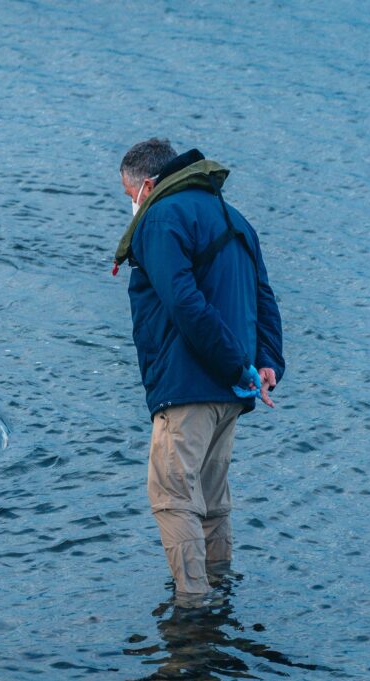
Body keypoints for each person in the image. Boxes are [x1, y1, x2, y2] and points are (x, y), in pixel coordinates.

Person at [114, 138, 285, 607]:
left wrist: (235, 362)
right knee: (211, 500)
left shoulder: (161, 218)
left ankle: (192, 607)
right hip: (232, 389)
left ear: (146, 185)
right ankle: (219, 590)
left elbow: (184, 303)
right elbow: (264, 298)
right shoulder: (235, 218)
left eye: (129, 195)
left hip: (189, 384)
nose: (131, 205)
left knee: (172, 497)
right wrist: (266, 364)